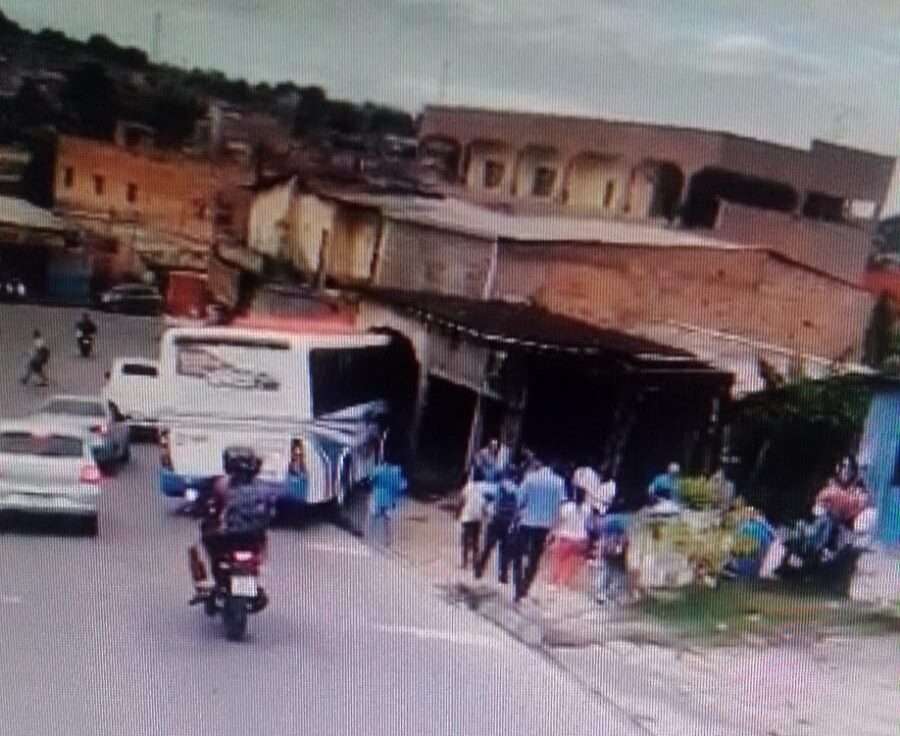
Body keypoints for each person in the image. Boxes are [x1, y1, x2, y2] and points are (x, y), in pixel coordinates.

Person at [512, 456, 565, 602]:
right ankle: (525, 586)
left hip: (527, 522)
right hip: (545, 526)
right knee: (535, 559)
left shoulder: (530, 478)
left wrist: (515, 518)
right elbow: (560, 507)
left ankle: (517, 588)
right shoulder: (559, 482)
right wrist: (555, 529)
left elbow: (519, 500)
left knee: (518, 555)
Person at [474, 479, 521, 583]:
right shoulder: (517, 491)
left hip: (496, 521)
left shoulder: (498, 488)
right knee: (505, 551)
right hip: (508, 524)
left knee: (487, 547)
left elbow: (487, 496)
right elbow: (518, 509)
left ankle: (479, 569)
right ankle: (503, 575)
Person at [547, 484, 591, 588]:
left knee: (558, 559)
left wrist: (552, 533)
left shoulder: (566, 507)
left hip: (565, 537)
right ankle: (563, 581)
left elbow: (557, 521)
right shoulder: (587, 509)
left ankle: (554, 582)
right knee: (570, 561)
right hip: (580, 539)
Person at [367, 461, 407, 547]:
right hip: (388, 500)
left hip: (377, 497)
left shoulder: (378, 470)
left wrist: (373, 485)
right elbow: (401, 486)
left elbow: (370, 479)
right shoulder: (396, 473)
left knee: (372, 517)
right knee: (387, 520)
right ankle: (388, 541)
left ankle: (369, 537)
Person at [457, 478, 491, 569]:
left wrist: (458, 513)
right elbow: (484, 505)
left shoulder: (467, 487)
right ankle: (475, 562)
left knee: (465, 540)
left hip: (467, 517)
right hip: (477, 517)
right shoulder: (482, 488)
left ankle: (464, 563)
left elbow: (461, 501)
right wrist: (485, 516)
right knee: (476, 541)